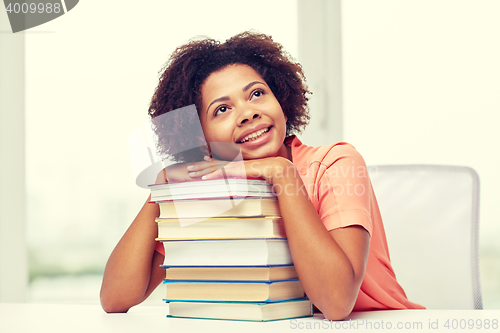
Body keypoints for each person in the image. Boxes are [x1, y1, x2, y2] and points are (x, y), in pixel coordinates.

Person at [100, 31, 424, 319]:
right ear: (199, 135)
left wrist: (281, 172)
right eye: (222, 109)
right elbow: (115, 299)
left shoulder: (335, 163)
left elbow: (336, 303)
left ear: (280, 99)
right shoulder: (210, 193)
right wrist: (164, 190)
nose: (248, 112)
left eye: (256, 94)